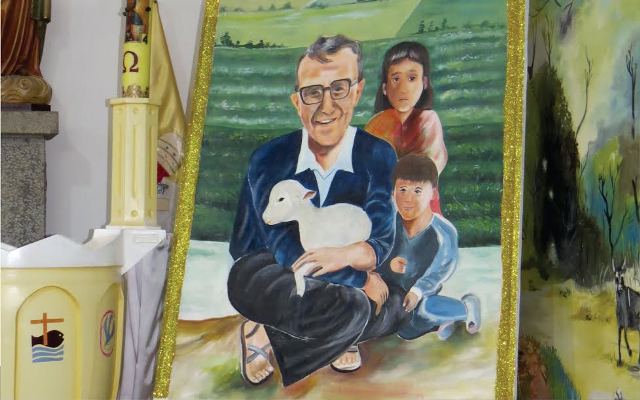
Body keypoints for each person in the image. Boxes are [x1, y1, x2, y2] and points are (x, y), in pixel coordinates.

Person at [227, 35, 408, 386]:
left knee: (396, 303)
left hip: (337, 276)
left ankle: (272, 333)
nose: (326, 107)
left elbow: (380, 239)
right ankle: (335, 331)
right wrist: (358, 278)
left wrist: (350, 255)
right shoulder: (269, 158)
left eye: (339, 89)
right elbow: (286, 250)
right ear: (297, 102)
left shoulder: (378, 154)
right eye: (313, 93)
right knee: (354, 303)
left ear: (357, 92)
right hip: (272, 268)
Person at [378, 154, 480, 341]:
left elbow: (440, 270)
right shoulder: (387, 223)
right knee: (404, 330)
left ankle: (465, 308)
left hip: (422, 295)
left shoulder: (443, 232)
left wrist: (417, 292)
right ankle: (442, 323)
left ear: (433, 193)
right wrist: (387, 265)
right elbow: (373, 254)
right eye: (402, 189)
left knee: (423, 310)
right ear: (393, 192)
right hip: (391, 292)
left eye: (417, 191)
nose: (408, 199)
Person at [365, 41, 446, 214]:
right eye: (396, 79)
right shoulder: (376, 124)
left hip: (421, 206)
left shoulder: (428, 120)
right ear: (385, 87)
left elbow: (429, 169)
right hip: (383, 205)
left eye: (411, 78)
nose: (403, 88)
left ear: (424, 82)